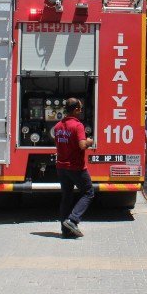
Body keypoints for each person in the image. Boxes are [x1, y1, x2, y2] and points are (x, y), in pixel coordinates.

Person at [54, 97, 95, 238]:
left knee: (67, 196)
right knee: (88, 192)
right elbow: (82, 145)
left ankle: (65, 230)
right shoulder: (77, 125)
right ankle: (72, 220)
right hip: (76, 167)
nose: (81, 110)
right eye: (80, 108)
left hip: (61, 167)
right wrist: (90, 141)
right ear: (76, 109)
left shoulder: (58, 126)